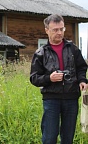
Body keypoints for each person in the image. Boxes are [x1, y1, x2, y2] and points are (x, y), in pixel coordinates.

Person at [30, 14, 88, 144]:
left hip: (71, 97)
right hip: (51, 99)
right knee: (49, 138)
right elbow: (34, 78)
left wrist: (82, 81)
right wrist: (49, 78)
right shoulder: (41, 53)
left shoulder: (73, 49)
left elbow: (81, 68)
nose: (59, 32)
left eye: (61, 29)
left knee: (68, 138)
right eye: (55, 30)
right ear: (47, 30)